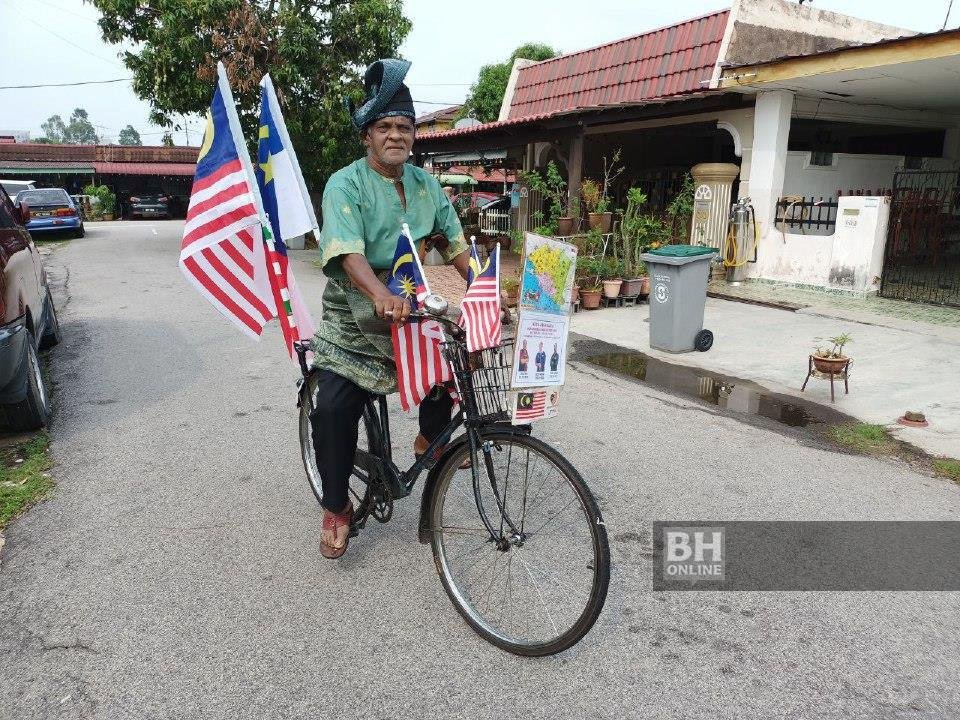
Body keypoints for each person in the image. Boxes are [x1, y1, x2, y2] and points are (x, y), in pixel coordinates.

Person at [310, 59, 473, 559]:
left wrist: (483, 284)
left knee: (457, 358)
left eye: (405, 127)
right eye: (385, 127)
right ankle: (336, 507)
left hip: (411, 305)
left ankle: (428, 438)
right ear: (367, 135)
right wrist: (377, 293)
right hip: (355, 316)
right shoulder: (346, 183)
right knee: (335, 407)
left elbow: (453, 243)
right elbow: (345, 250)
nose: (397, 136)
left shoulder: (426, 185)